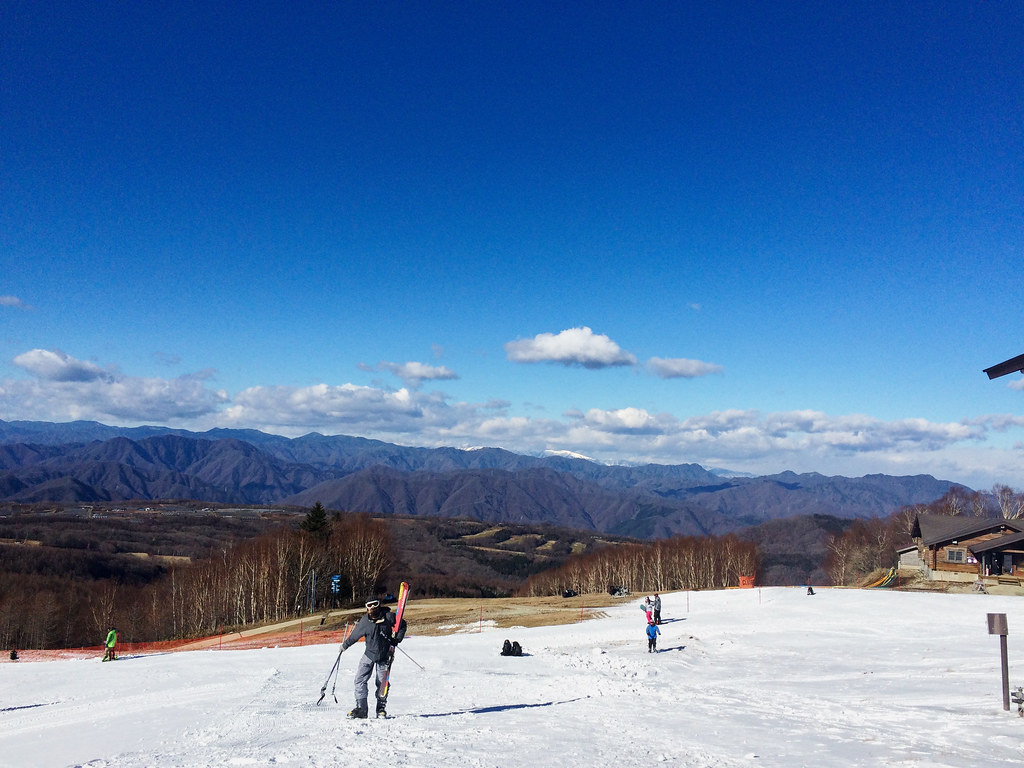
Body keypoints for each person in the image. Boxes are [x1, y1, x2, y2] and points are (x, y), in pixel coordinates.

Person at [340, 597, 407, 718]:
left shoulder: (388, 617)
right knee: (359, 680)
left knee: (382, 684)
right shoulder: (365, 621)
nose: (372, 607)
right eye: (369, 605)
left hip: (384, 655)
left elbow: (402, 624)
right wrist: (345, 645)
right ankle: (361, 709)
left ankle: (381, 708)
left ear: (379, 605)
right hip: (369, 654)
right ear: (366, 608)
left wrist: (397, 639)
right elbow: (354, 636)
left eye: (374, 604)